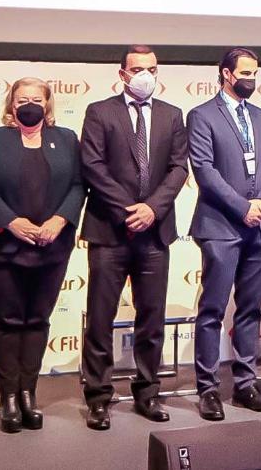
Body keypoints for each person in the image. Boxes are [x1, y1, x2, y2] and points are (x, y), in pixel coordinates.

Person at [80, 45, 189, 430]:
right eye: (138, 68)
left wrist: (151, 210)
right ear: (123, 73)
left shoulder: (172, 115)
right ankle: (98, 396)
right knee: (100, 318)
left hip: (154, 232)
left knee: (151, 318)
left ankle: (148, 392)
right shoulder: (100, 111)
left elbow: (179, 168)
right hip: (110, 230)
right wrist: (129, 209)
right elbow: (92, 166)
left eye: (152, 68)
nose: (146, 74)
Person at [0, 78, 84, 433]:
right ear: (12, 103)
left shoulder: (65, 139)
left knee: (37, 319)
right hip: (3, 245)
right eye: (23, 99)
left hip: (51, 244)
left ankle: (28, 395)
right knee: (9, 320)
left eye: (37, 99)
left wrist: (59, 219)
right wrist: (10, 221)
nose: (30, 104)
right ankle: (8, 398)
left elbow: (79, 184)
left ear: (48, 104)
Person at [187, 48, 261, 421]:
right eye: (244, 73)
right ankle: (208, 388)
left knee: (250, 309)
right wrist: (244, 207)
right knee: (212, 310)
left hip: (259, 226)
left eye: (255, 73)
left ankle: (245, 384)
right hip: (220, 227)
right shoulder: (202, 115)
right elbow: (205, 172)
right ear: (226, 74)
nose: (250, 80)